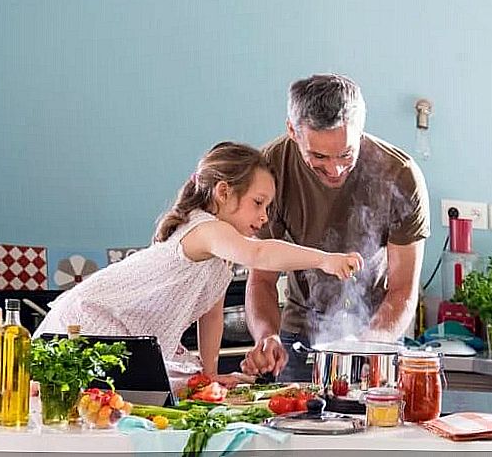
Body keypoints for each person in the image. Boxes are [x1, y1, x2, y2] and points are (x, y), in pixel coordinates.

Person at [34, 141, 363, 387]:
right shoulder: (203, 228)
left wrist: (210, 374)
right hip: (91, 320)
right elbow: (259, 254)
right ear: (223, 192)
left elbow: (211, 314)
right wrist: (324, 259)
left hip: (128, 336)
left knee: (188, 384)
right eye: (258, 203)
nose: (264, 216)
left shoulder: (220, 255)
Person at [241, 73, 430, 381]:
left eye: (346, 154)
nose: (335, 169)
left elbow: (402, 290)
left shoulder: (400, 175)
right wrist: (267, 337)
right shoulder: (269, 169)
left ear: (361, 129)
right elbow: (261, 278)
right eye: (318, 156)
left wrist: (368, 345)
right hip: (298, 337)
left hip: (376, 337)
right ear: (292, 130)